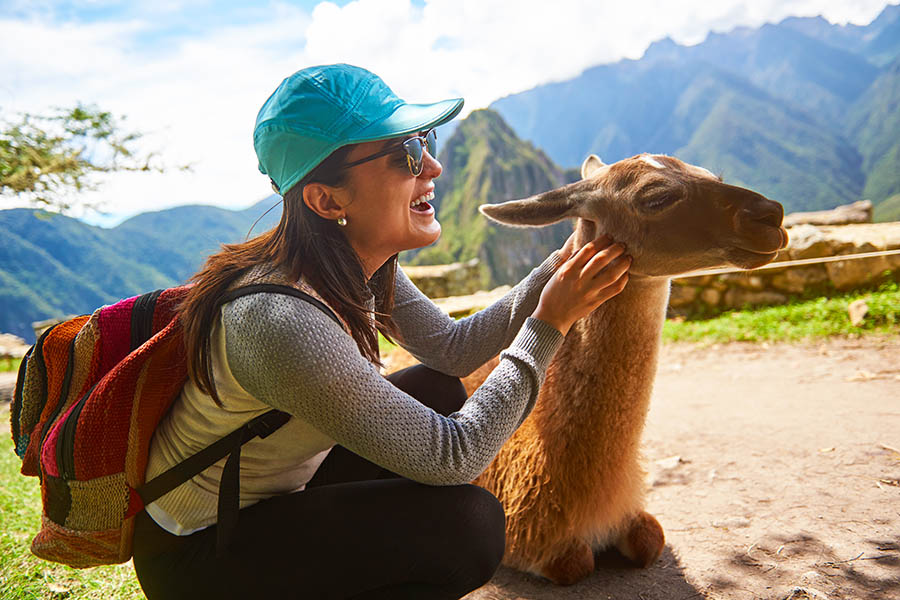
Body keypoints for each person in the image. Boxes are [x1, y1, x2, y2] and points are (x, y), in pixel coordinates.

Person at [131, 64, 631, 600]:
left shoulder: (357, 264)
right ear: (327, 200)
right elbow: (452, 458)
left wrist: (562, 262)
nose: (434, 166)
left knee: (438, 387)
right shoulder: (282, 321)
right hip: (201, 553)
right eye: (406, 155)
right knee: (468, 527)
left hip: (276, 499)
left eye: (424, 142)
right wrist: (548, 324)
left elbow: (453, 350)